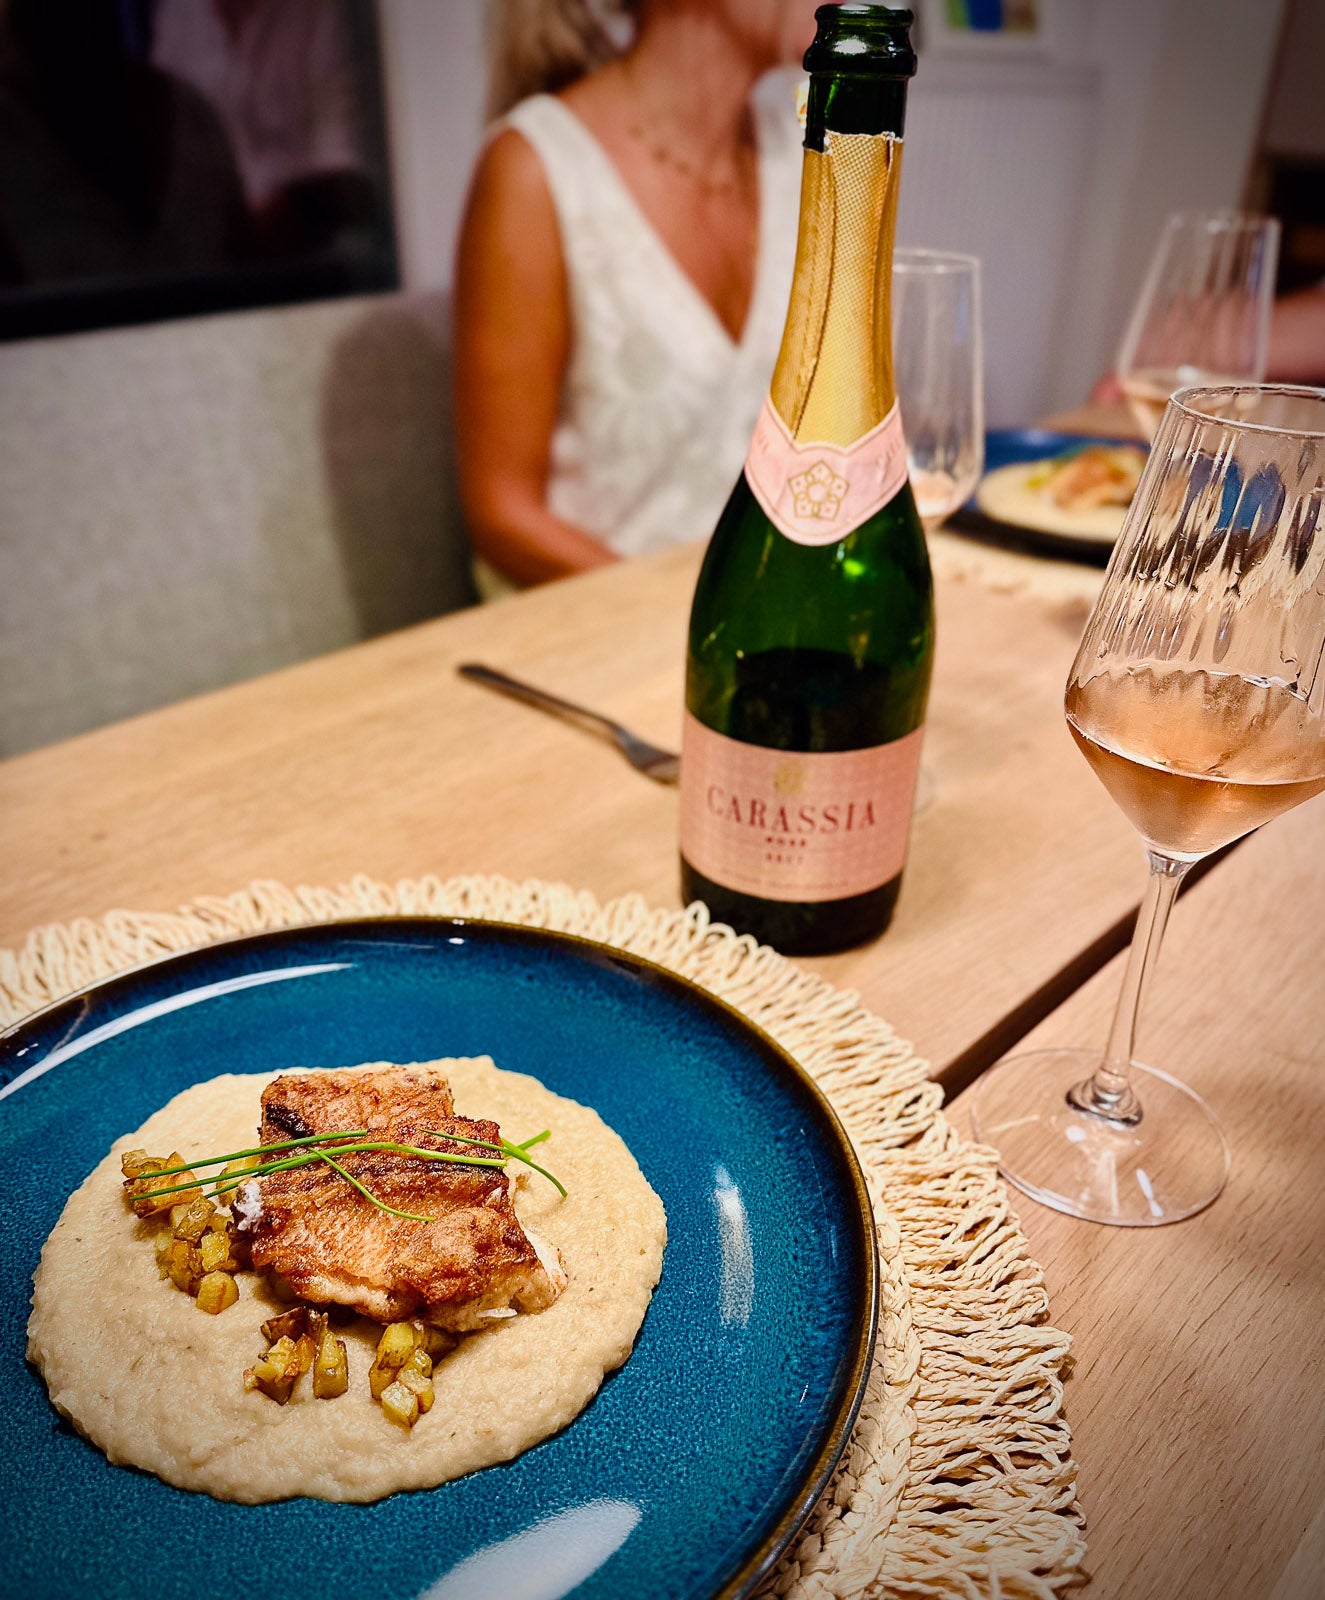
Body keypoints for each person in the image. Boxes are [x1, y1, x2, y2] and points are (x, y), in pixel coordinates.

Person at [453, 0, 817, 588]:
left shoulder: (799, 150)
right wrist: (707, 619)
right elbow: (503, 516)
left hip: (771, 627)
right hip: (596, 630)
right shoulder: (533, 172)